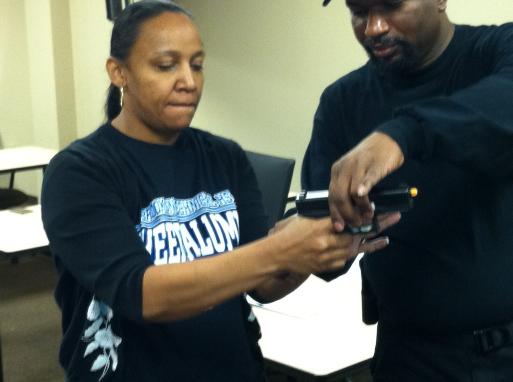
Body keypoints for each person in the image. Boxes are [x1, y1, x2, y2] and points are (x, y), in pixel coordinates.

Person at [41, 1, 399, 381]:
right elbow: (142, 295)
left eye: (196, 64)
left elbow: (262, 284)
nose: (189, 81)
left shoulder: (224, 158)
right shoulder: (80, 172)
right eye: (166, 66)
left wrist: (318, 250)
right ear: (119, 72)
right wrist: (280, 248)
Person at [302, 0, 513, 380]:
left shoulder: (496, 51)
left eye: (390, 6)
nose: (373, 27)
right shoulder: (342, 103)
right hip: (411, 357)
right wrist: (305, 243)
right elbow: (323, 234)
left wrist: (401, 135)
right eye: (359, 11)